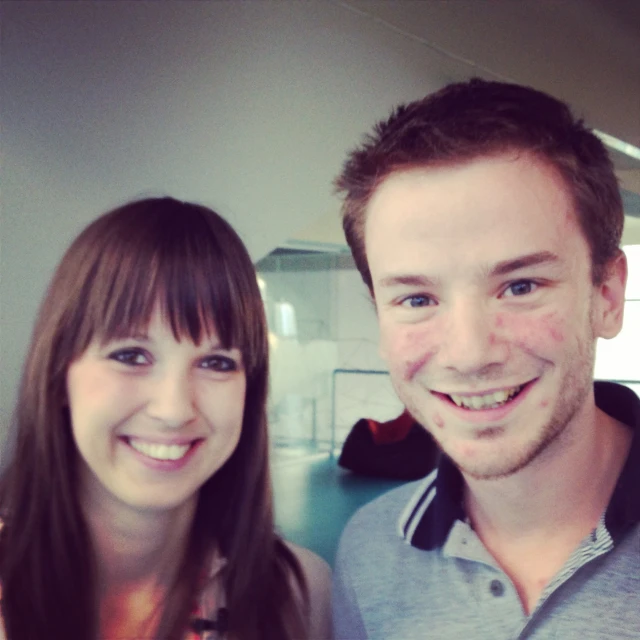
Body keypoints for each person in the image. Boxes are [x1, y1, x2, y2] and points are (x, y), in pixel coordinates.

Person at [332, 78, 639, 639]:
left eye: (520, 286)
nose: (469, 354)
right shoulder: (368, 555)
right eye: (418, 299)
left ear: (607, 297)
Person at [0, 197, 332, 639]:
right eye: (131, 355)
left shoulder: (300, 594)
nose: (174, 410)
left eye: (216, 363)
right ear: (60, 374)